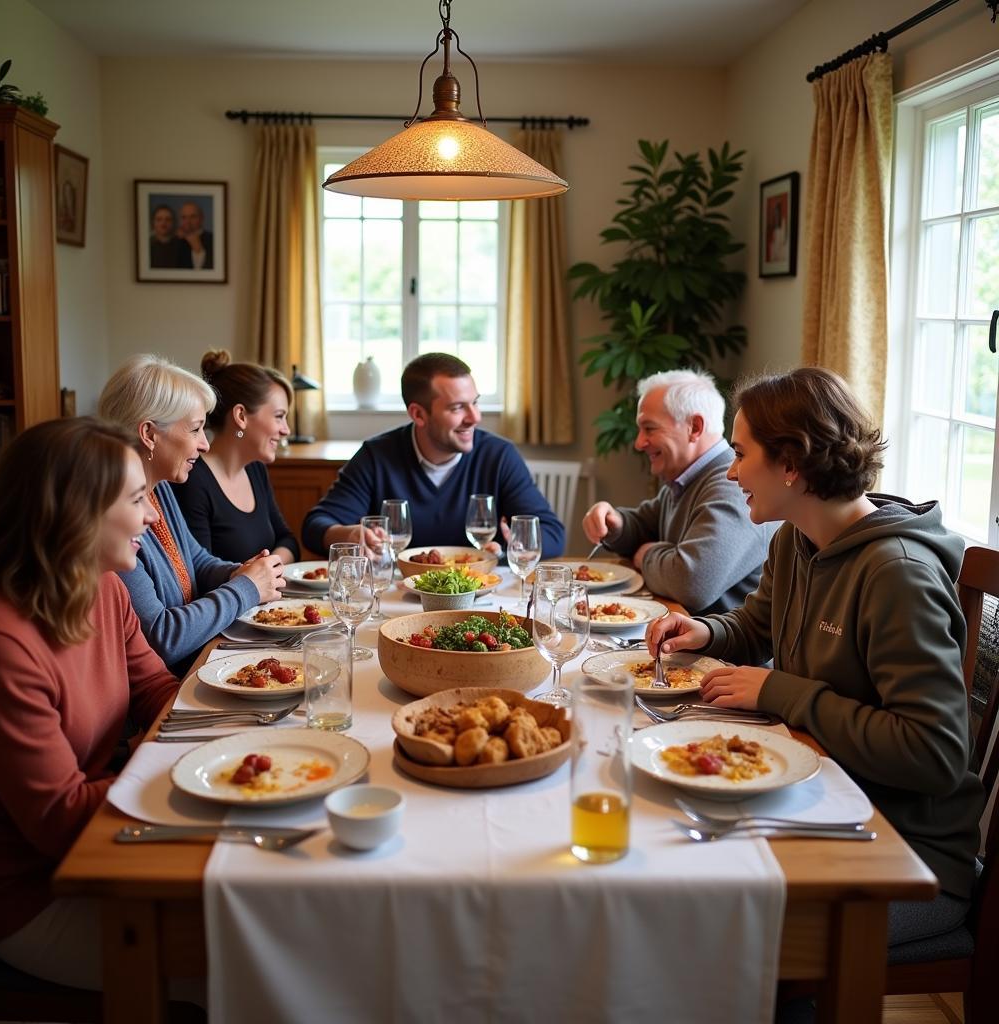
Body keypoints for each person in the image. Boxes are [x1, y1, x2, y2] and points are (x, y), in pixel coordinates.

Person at [646, 367, 985, 949]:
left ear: (792, 464)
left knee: (719, 936)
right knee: (673, 868)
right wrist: (702, 631)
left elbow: (935, 754)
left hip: (906, 855)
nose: (730, 471)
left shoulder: (896, 574)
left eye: (741, 452)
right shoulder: (795, 539)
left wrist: (781, 692)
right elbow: (755, 627)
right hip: (824, 801)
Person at [0, 417, 179, 988]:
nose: (154, 516)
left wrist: (224, 736)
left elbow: (158, 692)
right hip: (30, 893)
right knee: (241, 961)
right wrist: (190, 772)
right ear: (75, 513)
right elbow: (58, 820)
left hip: (105, 842)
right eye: (139, 499)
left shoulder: (104, 587)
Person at [99, 355, 284, 676]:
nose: (204, 444)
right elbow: (160, 637)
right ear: (150, 434)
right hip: (169, 678)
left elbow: (195, 561)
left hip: (194, 663)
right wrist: (246, 588)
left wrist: (241, 572)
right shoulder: (113, 516)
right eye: (196, 429)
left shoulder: (159, 489)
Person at [302, 352, 564, 557]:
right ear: (418, 414)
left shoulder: (498, 456)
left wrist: (508, 552)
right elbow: (315, 526)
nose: (475, 417)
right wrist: (347, 535)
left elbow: (552, 534)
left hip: (480, 602)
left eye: (475, 402)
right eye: (457, 408)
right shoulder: (377, 457)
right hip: (396, 598)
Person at [582, 369, 774, 613]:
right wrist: (615, 523)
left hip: (719, 650)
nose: (638, 443)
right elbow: (644, 526)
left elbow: (691, 583)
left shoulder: (734, 486)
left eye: (649, 429)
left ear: (694, 427)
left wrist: (647, 555)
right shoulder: (686, 479)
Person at [171, 349, 299, 565]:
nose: (286, 430)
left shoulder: (255, 469)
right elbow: (199, 574)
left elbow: (288, 540)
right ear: (241, 416)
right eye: (279, 417)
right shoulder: (192, 481)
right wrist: (259, 575)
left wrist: (268, 569)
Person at [149, 204, 189, 269]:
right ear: (153, 222)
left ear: (173, 223)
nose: (163, 223)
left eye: (168, 219)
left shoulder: (182, 245)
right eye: (159, 219)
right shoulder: (147, 245)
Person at [177, 200, 214, 270]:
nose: (188, 221)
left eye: (193, 217)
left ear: (202, 218)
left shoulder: (213, 240)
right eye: (184, 217)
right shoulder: (175, 241)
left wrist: (198, 249)